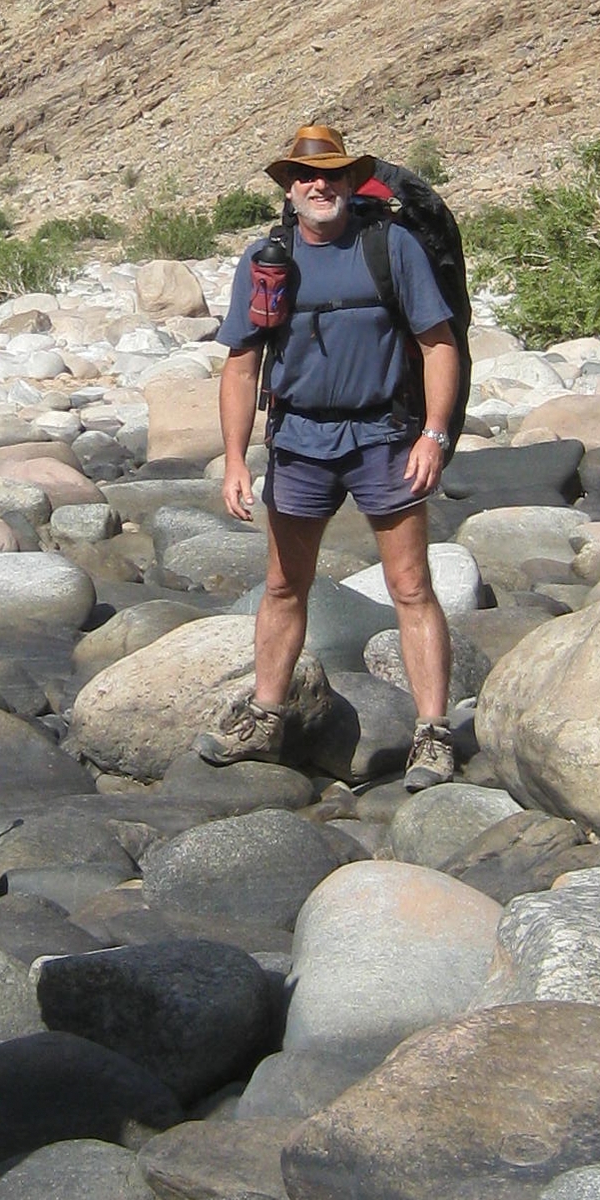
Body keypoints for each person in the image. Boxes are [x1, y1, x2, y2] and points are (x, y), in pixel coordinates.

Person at [213, 124, 465, 786]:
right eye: (302, 174)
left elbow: (438, 344)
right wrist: (235, 460)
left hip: (385, 438)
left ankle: (433, 734)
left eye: (329, 173)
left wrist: (433, 434)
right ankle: (266, 717)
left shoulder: (392, 246)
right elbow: (241, 366)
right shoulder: (265, 258)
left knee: (410, 587)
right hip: (298, 443)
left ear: (351, 181)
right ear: (287, 188)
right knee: (281, 584)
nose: (316, 183)